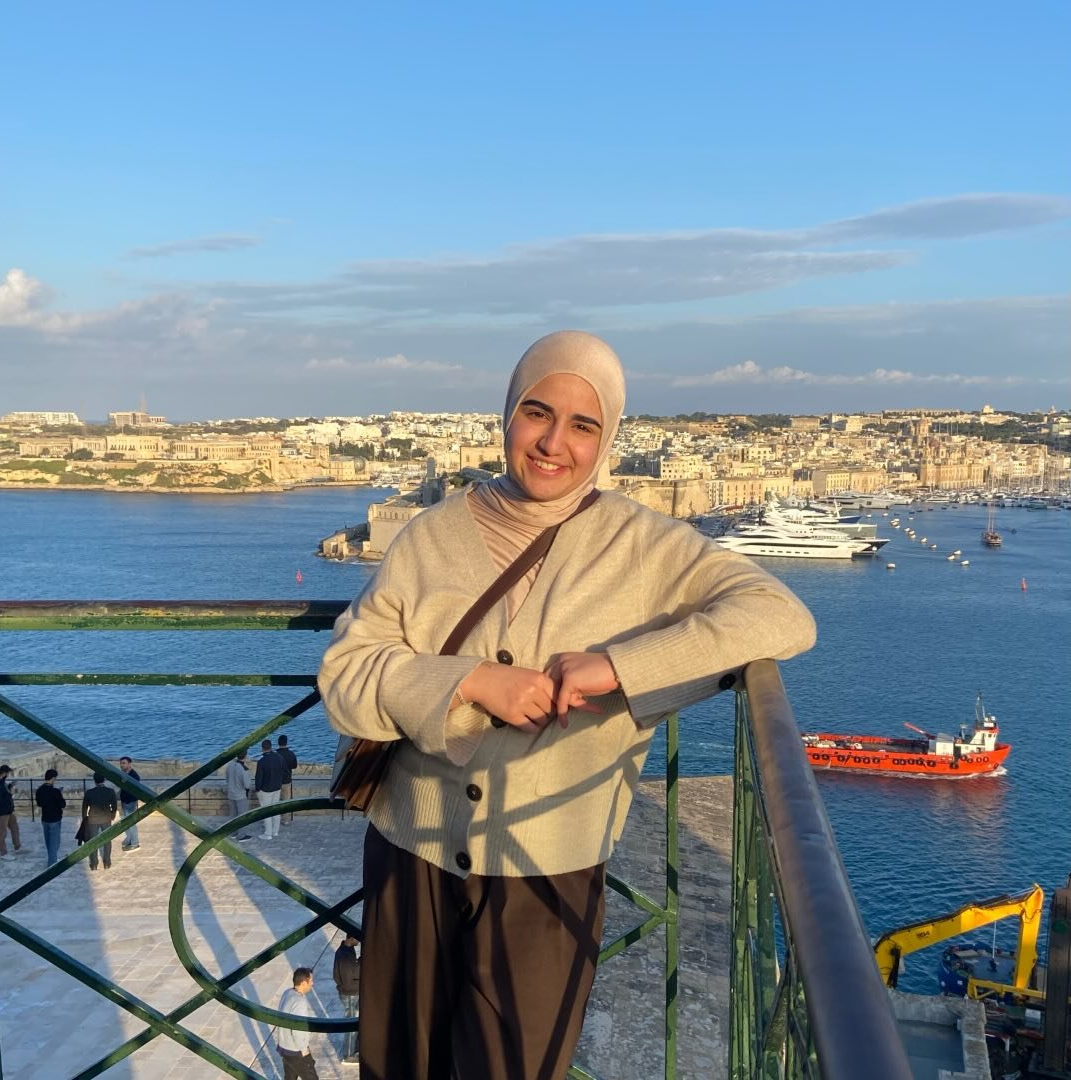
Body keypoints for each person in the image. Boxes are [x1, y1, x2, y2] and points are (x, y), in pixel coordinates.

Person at [318, 331, 817, 1080]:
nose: (554, 443)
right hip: (410, 848)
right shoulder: (430, 536)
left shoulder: (645, 547)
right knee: (397, 1065)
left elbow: (782, 618)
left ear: (607, 439)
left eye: (583, 425)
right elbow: (345, 676)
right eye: (537, 413)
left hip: (547, 869)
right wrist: (469, 683)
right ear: (507, 416)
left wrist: (619, 666)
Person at [273, 967, 320, 1080]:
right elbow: (298, 1029)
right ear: (303, 983)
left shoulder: (287, 993)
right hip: (295, 1051)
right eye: (310, 981)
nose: (312, 983)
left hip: (285, 1047)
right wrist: (304, 1049)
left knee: (290, 1077)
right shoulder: (299, 1002)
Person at [332, 932, 361, 1064]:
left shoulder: (348, 949)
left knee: (354, 1022)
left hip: (351, 993)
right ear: (351, 938)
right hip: (350, 995)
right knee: (351, 1025)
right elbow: (348, 982)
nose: (359, 941)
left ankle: (354, 1048)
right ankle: (348, 1055)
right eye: (357, 938)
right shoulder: (344, 956)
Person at [81, 773, 118, 870]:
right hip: (106, 818)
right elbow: (114, 806)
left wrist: (84, 818)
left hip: (93, 819)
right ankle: (107, 862)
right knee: (107, 841)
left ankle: (94, 864)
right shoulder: (110, 791)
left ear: (94, 780)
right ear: (104, 780)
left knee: (93, 841)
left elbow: (84, 807)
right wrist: (112, 815)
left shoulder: (89, 792)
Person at [35, 769, 67, 867]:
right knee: (55, 842)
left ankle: (52, 858)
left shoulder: (39, 790)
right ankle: (52, 863)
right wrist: (60, 794)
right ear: (52, 778)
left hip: (45, 818)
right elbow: (63, 804)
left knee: (48, 841)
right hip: (55, 819)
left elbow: (39, 803)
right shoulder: (55, 792)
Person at [254, 740, 284, 839]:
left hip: (266, 790)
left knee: (266, 811)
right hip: (277, 787)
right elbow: (283, 771)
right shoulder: (279, 757)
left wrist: (257, 789)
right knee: (275, 810)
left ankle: (268, 833)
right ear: (271, 746)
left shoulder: (262, 761)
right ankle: (275, 831)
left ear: (262, 749)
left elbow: (258, 778)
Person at [0, 765, 22, 860]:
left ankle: (17, 847)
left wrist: (10, 786)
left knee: (15, 828)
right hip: (2, 812)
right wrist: (10, 794)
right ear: (4, 773)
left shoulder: (2, 782)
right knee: (2, 833)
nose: (8, 775)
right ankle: (3, 853)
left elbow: (3, 792)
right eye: (7, 773)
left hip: (8, 811)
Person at [225, 749, 253, 841]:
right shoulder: (244, 769)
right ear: (245, 756)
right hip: (240, 795)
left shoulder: (230, 765)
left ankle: (233, 832)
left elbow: (227, 779)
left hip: (231, 793)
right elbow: (247, 785)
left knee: (233, 814)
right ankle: (241, 835)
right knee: (242, 816)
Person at [117, 755, 142, 851]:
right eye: (121, 763)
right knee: (126, 822)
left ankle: (135, 843)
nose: (122, 765)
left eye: (124, 763)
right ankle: (129, 839)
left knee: (131, 823)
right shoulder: (123, 774)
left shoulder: (134, 776)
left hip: (131, 802)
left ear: (129, 764)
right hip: (124, 801)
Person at [276, 734, 298, 825]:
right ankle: (285, 820)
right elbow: (294, 766)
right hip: (287, 780)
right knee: (286, 801)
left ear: (278, 743)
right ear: (286, 743)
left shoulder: (275, 755)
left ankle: (275, 819)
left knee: (275, 801)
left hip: (276, 781)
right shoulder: (291, 754)